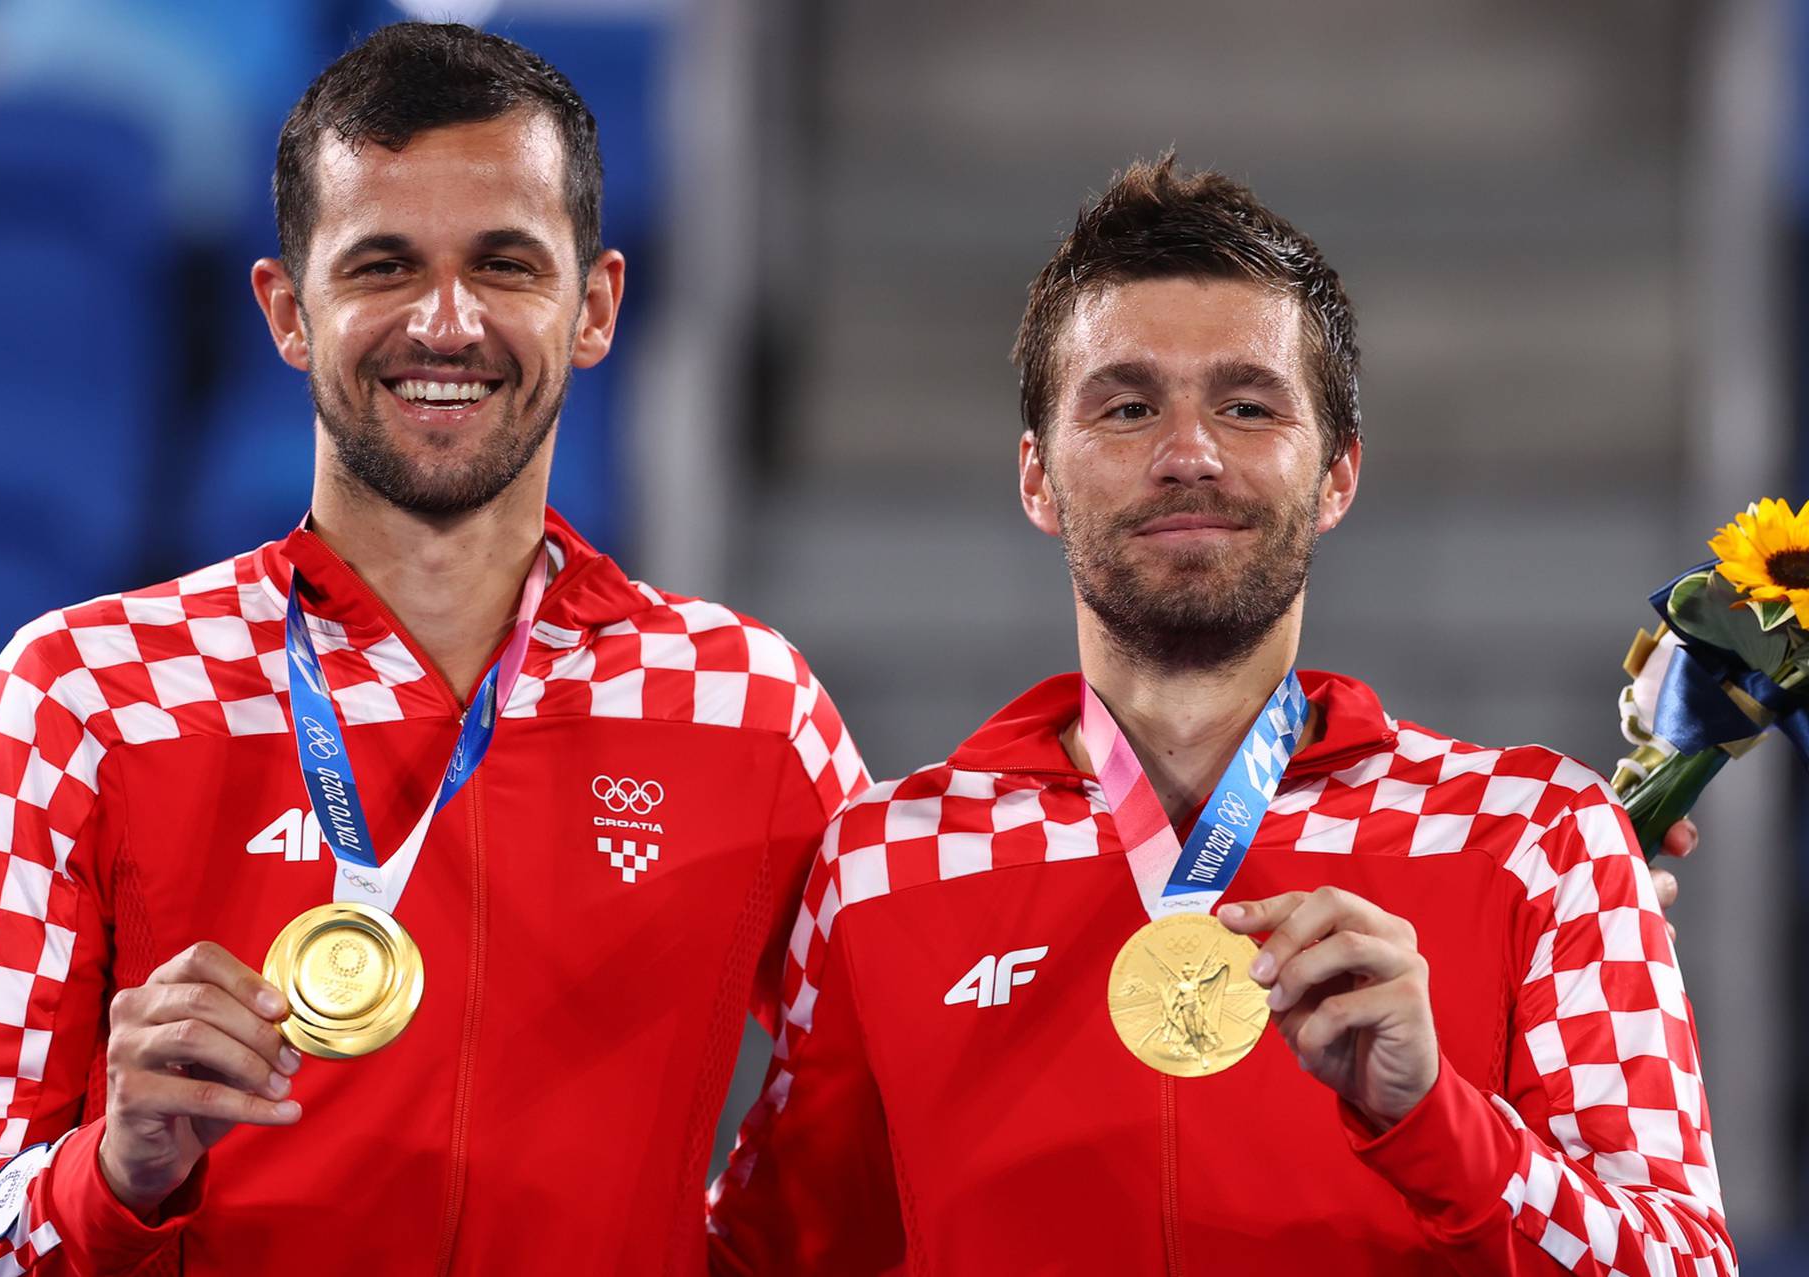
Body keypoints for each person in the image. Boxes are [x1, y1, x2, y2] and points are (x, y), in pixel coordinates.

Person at [0, 23, 865, 1276]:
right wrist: (112, 1170)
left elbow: (891, 1100)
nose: (446, 322)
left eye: (506, 264)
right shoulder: (83, 694)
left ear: (598, 307)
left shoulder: (743, 701)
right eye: (384, 265)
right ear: (289, 312)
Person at [706, 155, 1729, 1274]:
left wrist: (1436, 1115)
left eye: (1248, 405)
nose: (1188, 454)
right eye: (1128, 405)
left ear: (1337, 473)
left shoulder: (1537, 837)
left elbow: (1680, 1261)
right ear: (1038, 477)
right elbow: (772, 1259)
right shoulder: (886, 865)